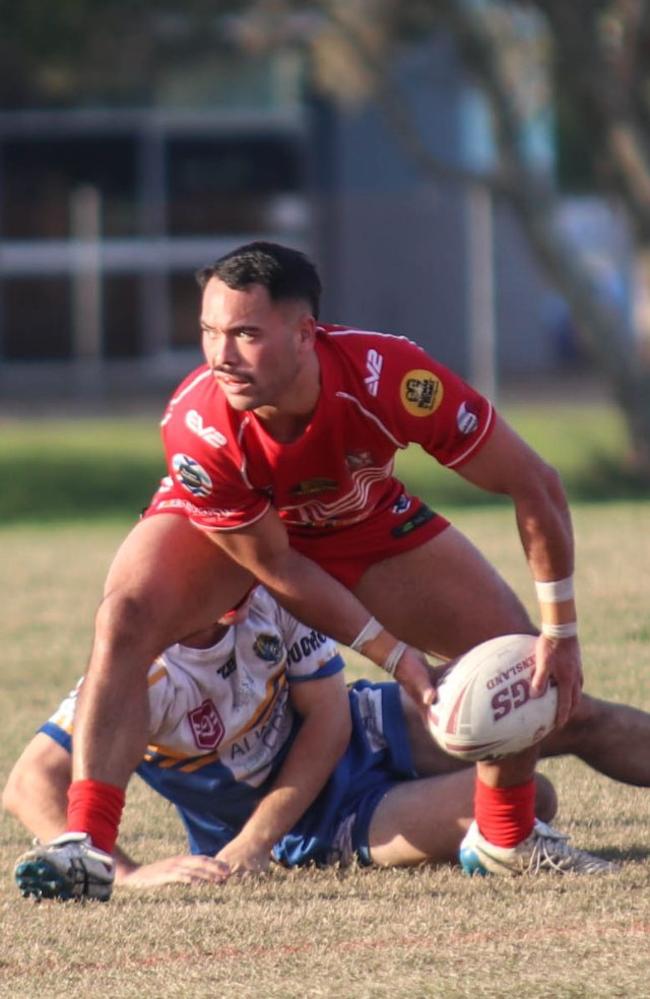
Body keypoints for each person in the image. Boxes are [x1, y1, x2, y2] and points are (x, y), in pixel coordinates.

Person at [19, 241, 642, 896]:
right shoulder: (198, 421)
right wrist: (396, 653)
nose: (220, 355)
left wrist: (560, 633)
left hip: (358, 522)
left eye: (245, 333)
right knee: (126, 613)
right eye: (208, 332)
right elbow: (275, 560)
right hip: (254, 530)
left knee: (522, 666)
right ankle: (88, 845)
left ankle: (506, 836)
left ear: (305, 332)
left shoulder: (388, 376)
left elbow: (535, 484)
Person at [7, 586, 610, 902]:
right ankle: (483, 846)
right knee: (533, 802)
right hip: (317, 822)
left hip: (357, 726)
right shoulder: (138, 672)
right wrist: (130, 873)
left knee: (569, 715)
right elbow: (28, 782)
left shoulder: (266, 591)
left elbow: (328, 718)